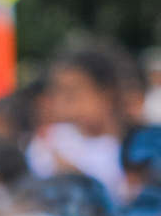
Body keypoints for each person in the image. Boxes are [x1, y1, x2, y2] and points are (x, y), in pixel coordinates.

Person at [27, 47, 131, 193]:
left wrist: (73, 174)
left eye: (73, 96)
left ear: (107, 95)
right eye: (58, 95)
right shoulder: (48, 142)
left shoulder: (135, 148)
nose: (64, 108)